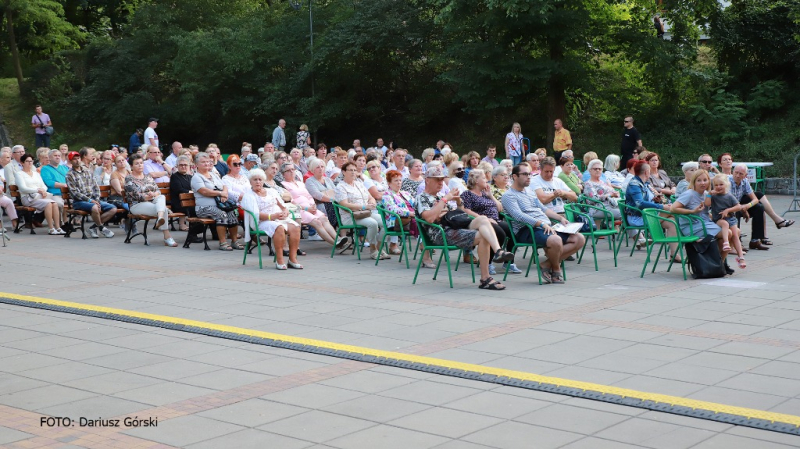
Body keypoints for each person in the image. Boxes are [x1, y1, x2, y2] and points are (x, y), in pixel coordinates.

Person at [417, 166, 510, 290]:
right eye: (437, 180)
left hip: (454, 226)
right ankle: (485, 278)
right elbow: (429, 218)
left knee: (483, 219)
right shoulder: (421, 198)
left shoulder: (440, 197)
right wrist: (445, 200)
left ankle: (498, 251)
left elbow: (459, 214)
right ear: (427, 180)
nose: (441, 183)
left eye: (442, 179)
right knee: (483, 237)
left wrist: (459, 203)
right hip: (441, 233)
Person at [501, 164, 585, 284]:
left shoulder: (529, 191)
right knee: (555, 240)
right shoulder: (508, 196)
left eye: (529, 174)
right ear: (514, 176)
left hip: (544, 226)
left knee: (579, 238)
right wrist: (540, 224)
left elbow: (543, 208)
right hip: (526, 230)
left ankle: (546, 264)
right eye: (525, 174)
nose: (529, 177)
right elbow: (519, 216)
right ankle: (556, 269)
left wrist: (560, 219)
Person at [461, 169, 521, 275]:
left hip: (496, 220)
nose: (486, 180)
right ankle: (488, 263)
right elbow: (466, 210)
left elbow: (500, 209)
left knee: (513, 232)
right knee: (501, 234)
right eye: (483, 178)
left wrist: (490, 195)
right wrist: (483, 218)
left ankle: (508, 262)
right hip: (481, 223)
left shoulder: (485, 193)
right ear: (476, 181)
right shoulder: (467, 194)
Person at [671, 170, 732, 273]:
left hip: (704, 223)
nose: (703, 183)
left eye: (705, 180)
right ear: (694, 182)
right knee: (727, 233)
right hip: (691, 225)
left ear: (709, 181)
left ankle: (718, 264)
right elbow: (673, 209)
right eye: (699, 180)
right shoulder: (689, 194)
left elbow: (706, 212)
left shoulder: (706, 194)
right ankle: (719, 264)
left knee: (731, 233)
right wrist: (692, 211)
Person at [242, 169, 302, 270]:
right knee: (278, 228)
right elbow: (256, 214)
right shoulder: (249, 195)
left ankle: (292, 259)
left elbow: (283, 206)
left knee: (296, 227)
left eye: (260, 179)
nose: (258, 182)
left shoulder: (271, 191)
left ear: (263, 181)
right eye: (255, 179)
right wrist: (272, 217)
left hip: (278, 218)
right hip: (262, 221)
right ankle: (280, 260)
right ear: (250, 182)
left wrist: (285, 212)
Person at [281, 162, 348, 250]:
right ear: (283, 174)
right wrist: (306, 208)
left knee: (324, 219)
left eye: (293, 169)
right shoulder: (283, 184)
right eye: (288, 170)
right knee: (317, 222)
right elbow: (290, 202)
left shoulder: (300, 183)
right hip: (299, 210)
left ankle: (338, 239)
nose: (291, 172)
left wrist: (313, 205)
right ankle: (335, 244)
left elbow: (309, 196)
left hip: (310, 207)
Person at [729, 164, 794, 251]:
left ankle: (755, 240)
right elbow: (729, 202)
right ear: (732, 172)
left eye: (741, 174)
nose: (737, 175)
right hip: (728, 207)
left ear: (745, 176)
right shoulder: (728, 181)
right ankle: (736, 241)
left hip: (739, 205)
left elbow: (755, 199)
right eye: (736, 172)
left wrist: (748, 206)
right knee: (736, 210)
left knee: (759, 207)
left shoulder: (745, 182)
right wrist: (744, 210)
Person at [335, 161, 389, 260]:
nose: (353, 172)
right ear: (343, 172)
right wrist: (364, 206)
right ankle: (373, 250)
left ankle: (378, 248)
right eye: (350, 170)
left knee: (386, 222)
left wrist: (372, 202)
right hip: (350, 216)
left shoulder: (359, 183)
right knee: (372, 223)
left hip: (366, 213)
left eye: (355, 170)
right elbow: (344, 204)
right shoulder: (340, 186)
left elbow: (370, 197)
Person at [125, 154, 177, 247]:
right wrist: (147, 196)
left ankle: (160, 218)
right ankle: (167, 237)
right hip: (137, 204)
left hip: (152, 201)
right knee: (163, 209)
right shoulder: (129, 178)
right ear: (132, 166)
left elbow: (158, 191)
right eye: (137, 164)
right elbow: (135, 195)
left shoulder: (148, 176)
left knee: (161, 197)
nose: (140, 165)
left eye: (141, 163)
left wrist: (154, 194)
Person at [192, 152, 240, 251]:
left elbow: (224, 186)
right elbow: (204, 191)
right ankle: (222, 243)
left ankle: (234, 241)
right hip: (203, 208)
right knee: (221, 214)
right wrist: (220, 194)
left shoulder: (213, 174)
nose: (206, 164)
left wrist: (225, 194)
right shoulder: (196, 177)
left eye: (207, 162)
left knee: (232, 213)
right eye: (203, 162)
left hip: (219, 204)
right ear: (196, 165)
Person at [66, 151, 117, 238]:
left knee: (113, 209)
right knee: (94, 207)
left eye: (78, 158)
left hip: (93, 200)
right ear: (70, 161)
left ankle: (93, 227)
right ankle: (101, 228)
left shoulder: (87, 171)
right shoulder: (69, 175)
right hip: (79, 202)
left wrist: (96, 199)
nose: (77, 161)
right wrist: (90, 200)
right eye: (74, 159)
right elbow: (75, 193)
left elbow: (96, 187)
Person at [625, 160, 674, 250]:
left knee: (672, 222)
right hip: (637, 218)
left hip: (648, 214)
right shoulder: (634, 184)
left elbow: (646, 200)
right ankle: (656, 235)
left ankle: (674, 254)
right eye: (650, 171)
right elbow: (640, 203)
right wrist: (662, 206)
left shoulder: (645, 184)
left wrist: (655, 200)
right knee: (671, 211)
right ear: (646, 172)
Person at [15, 153, 64, 234]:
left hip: (40, 196)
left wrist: (43, 190)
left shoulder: (36, 174)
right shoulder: (19, 174)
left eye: (31, 161)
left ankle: (58, 227)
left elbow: (44, 186)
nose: (30, 163)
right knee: (49, 203)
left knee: (54, 203)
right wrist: (37, 190)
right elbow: (23, 188)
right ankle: (51, 228)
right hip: (27, 198)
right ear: (22, 163)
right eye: (27, 161)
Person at [709, 174, 746, 269]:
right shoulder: (713, 196)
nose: (718, 187)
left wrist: (728, 210)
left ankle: (741, 257)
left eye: (721, 184)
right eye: (716, 185)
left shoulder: (729, 196)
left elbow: (738, 206)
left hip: (731, 219)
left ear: (726, 185)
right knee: (724, 224)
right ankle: (726, 243)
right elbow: (707, 204)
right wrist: (709, 193)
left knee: (736, 235)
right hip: (719, 219)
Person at [381, 169, 418, 255]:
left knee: (424, 221)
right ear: (389, 183)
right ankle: (423, 244)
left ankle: (424, 243)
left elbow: (416, 204)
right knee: (417, 222)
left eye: (400, 180)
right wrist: (409, 213)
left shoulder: (405, 193)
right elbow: (393, 209)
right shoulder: (387, 195)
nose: (399, 182)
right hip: (397, 221)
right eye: (396, 180)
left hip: (412, 217)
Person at [169, 155, 193, 231]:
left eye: (185, 165)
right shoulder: (175, 176)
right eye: (181, 165)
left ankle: (195, 224)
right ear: (177, 166)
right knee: (185, 204)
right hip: (177, 201)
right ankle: (181, 224)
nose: (183, 167)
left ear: (189, 166)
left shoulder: (190, 177)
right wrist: (190, 192)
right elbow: (178, 189)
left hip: (189, 199)